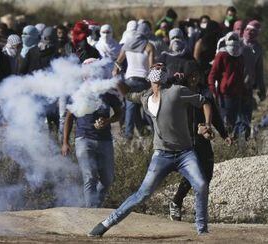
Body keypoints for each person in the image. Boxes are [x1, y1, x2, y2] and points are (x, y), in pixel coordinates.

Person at [89, 63, 211, 237]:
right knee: (142, 194)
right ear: (149, 77)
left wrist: (206, 124)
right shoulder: (145, 97)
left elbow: (204, 102)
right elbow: (128, 94)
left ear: (165, 75)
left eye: (162, 68)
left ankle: (202, 230)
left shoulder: (176, 91)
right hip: (162, 154)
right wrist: (116, 77)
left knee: (201, 185)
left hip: (185, 153)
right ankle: (106, 223)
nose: (160, 68)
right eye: (156, 67)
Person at [169, 61, 231, 221]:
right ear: (186, 76)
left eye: (197, 74)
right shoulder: (179, 91)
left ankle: (199, 209)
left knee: (207, 173)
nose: (194, 78)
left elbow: (215, 114)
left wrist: (224, 134)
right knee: (192, 173)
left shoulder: (205, 92)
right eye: (191, 75)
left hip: (202, 137)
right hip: (185, 138)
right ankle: (176, 202)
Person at [62, 58, 122, 208]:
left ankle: (95, 206)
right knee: (89, 177)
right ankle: (91, 212)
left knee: (108, 179)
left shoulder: (107, 91)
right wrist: (65, 142)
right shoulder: (77, 92)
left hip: (105, 140)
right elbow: (69, 117)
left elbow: (119, 113)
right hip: (83, 138)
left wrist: (107, 121)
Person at [113, 22, 155, 140]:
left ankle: (128, 136)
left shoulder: (127, 44)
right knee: (148, 109)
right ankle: (154, 134)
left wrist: (115, 71)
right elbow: (152, 68)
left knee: (130, 109)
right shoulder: (149, 46)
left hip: (129, 81)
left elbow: (118, 62)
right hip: (144, 82)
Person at [208, 32, 244, 136]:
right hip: (225, 95)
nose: (233, 41)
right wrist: (213, 91)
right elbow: (212, 75)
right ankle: (226, 144)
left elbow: (241, 74)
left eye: (235, 38)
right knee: (226, 122)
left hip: (238, 93)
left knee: (236, 122)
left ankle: (234, 145)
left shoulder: (240, 55)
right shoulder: (222, 55)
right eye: (231, 38)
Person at [238, 20, 265, 139]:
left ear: (257, 34)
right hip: (233, 88)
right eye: (247, 29)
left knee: (246, 118)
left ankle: (243, 147)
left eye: (253, 31)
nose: (249, 33)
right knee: (234, 119)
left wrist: (262, 89)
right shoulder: (237, 44)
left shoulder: (258, 49)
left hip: (248, 88)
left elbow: (259, 71)